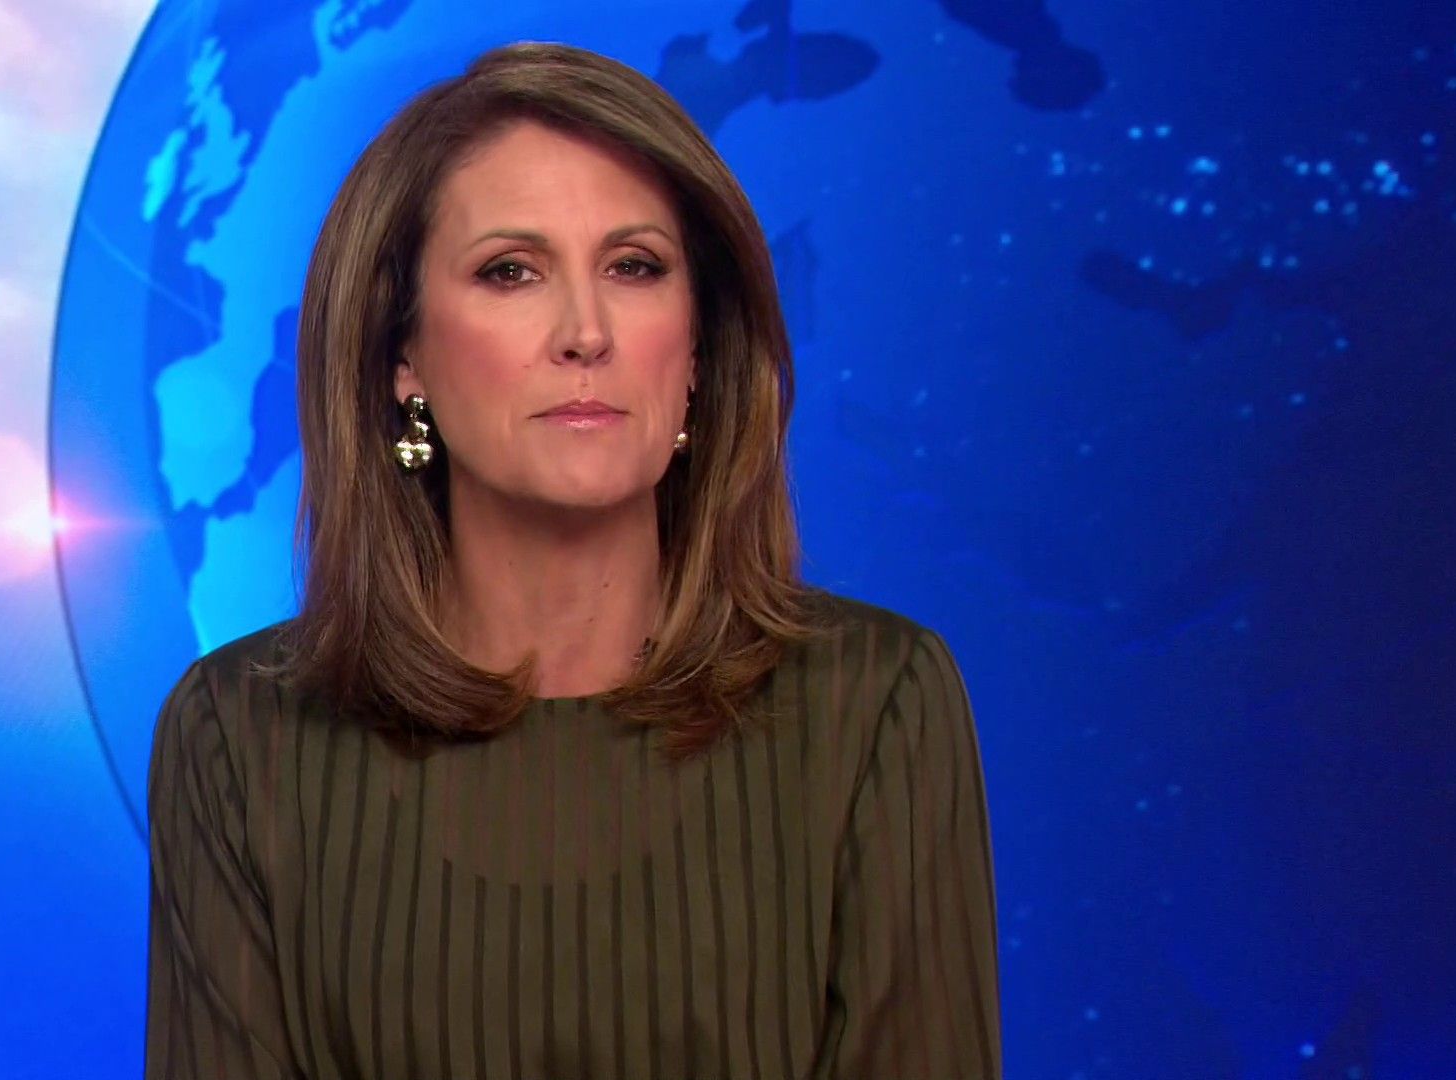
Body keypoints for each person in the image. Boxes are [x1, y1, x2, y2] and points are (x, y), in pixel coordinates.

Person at [144, 40, 1001, 1080]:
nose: (586, 332)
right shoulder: (239, 736)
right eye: (510, 271)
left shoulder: (878, 705)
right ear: (402, 357)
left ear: (697, 347)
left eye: (634, 267)